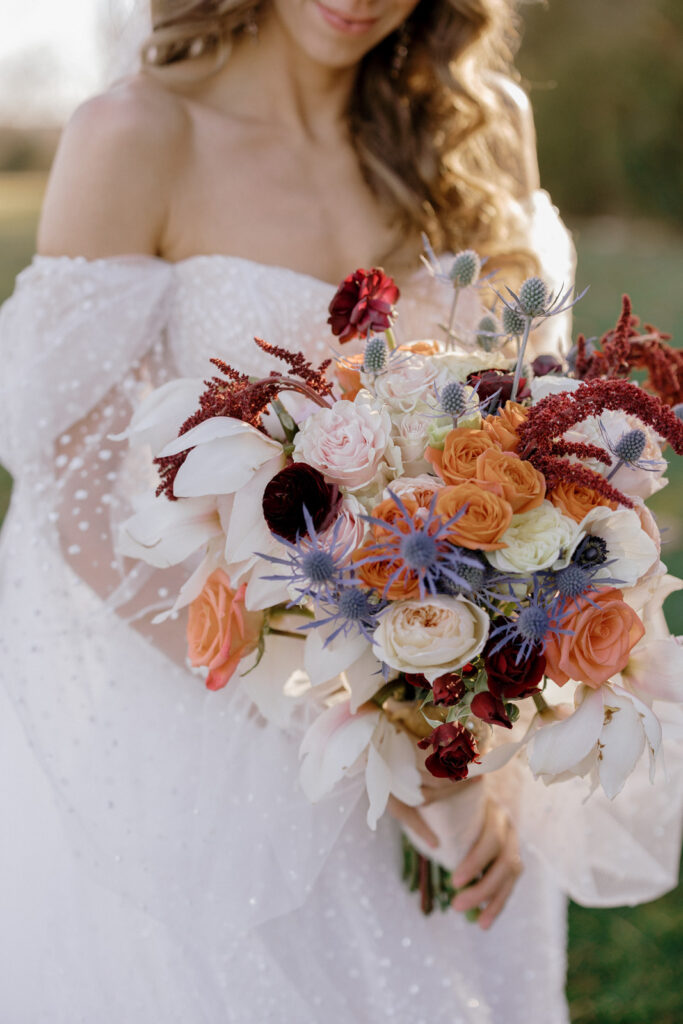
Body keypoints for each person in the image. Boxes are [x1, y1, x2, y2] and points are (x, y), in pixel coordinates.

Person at [0, 2, 680, 1021]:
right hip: (223, 730)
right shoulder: (139, 135)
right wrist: (344, 712)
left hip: (464, 727)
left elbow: (535, 427)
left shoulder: (480, 121)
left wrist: (468, 726)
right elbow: (78, 485)